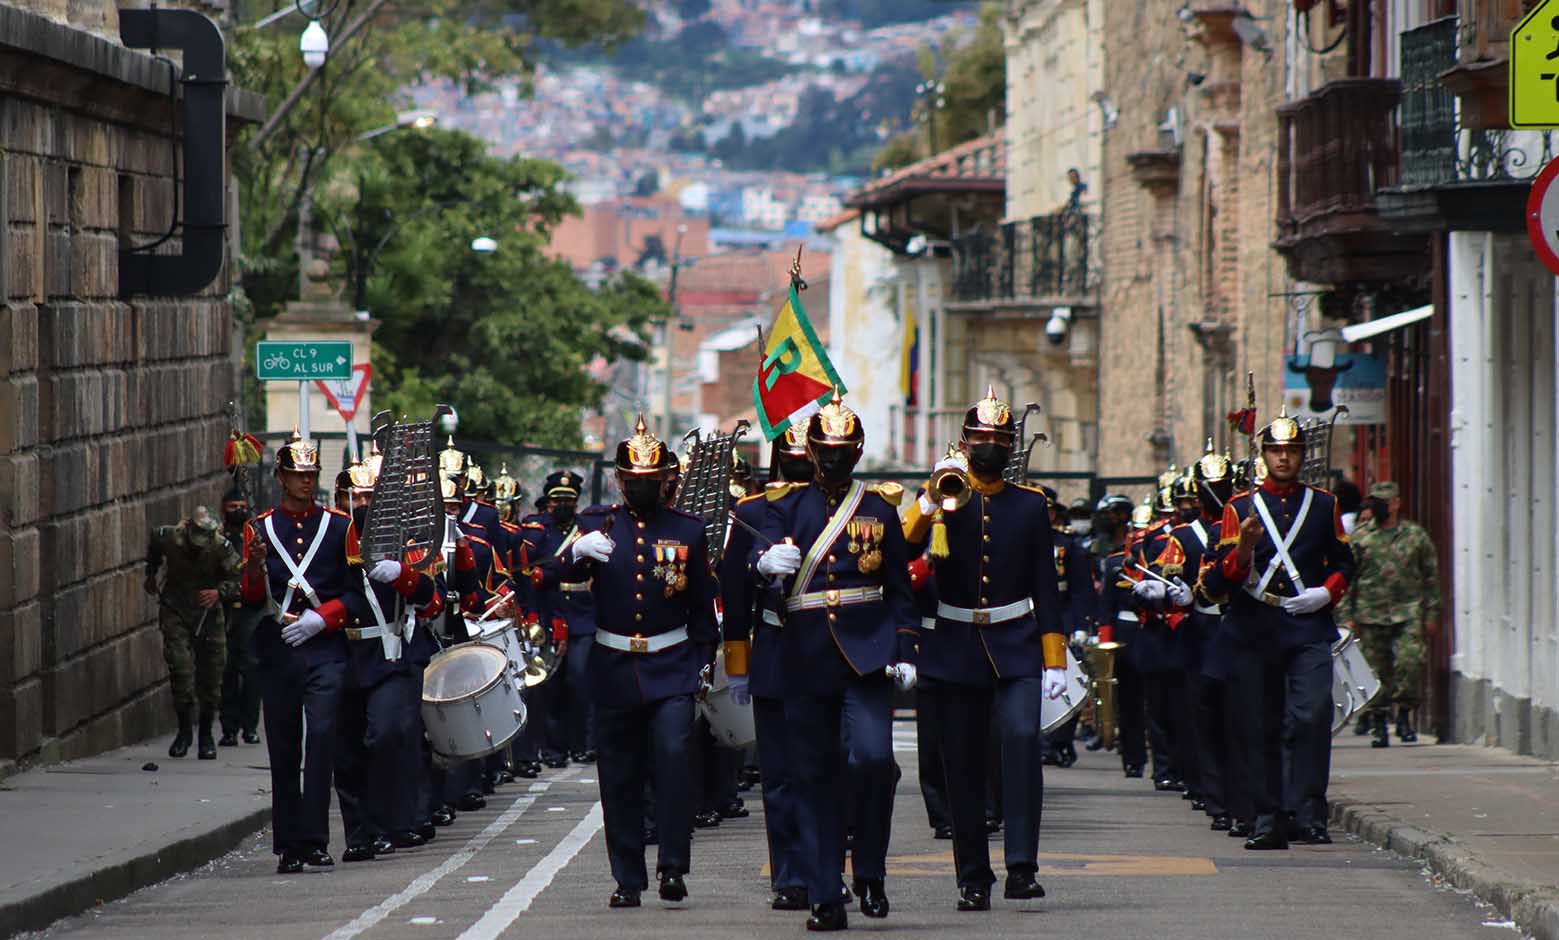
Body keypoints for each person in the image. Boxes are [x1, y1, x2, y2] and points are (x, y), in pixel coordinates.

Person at [901, 387, 1066, 913]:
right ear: (964, 442)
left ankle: (1022, 867)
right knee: (964, 766)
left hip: (1016, 643)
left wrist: (1055, 659)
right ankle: (973, 875)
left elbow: (1045, 584)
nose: (989, 446)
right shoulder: (945, 499)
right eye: (981, 438)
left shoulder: (1030, 504)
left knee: (1020, 742)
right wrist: (929, 502)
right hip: (954, 646)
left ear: (1010, 445)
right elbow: (903, 552)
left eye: (998, 438)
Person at [756, 392, 917, 931]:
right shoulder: (783, 507)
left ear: (858, 451)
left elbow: (899, 589)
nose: (833, 460)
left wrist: (904, 650)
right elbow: (759, 592)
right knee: (813, 777)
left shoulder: (878, 507)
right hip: (803, 658)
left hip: (866, 656)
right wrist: (765, 570)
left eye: (843, 450)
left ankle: (869, 868)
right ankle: (825, 893)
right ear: (810, 449)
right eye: (825, 449)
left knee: (872, 761)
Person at [560, 417, 716, 909]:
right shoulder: (594, 525)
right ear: (620, 482)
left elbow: (702, 607)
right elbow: (544, 574)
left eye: (652, 481)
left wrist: (704, 664)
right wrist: (575, 552)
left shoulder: (688, 531)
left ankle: (672, 865)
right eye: (635, 482)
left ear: (666, 479)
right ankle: (628, 876)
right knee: (620, 776)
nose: (643, 489)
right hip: (614, 667)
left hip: (671, 665)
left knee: (672, 760)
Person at [1201, 407, 1355, 850]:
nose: (1284, 458)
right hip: (1255, 625)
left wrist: (1325, 594)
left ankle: (1309, 814)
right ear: (1263, 454)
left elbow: (1344, 563)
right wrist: (1244, 547)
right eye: (1276, 450)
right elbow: (1216, 582)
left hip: (1306, 625)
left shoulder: (1323, 504)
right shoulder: (1240, 507)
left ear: (1302, 456)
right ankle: (1268, 816)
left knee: (1311, 715)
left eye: (1291, 450)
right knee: (1260, 722)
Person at [239, 434, 367, 873]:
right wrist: (255, 565)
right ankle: (288, 844)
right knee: (284, 745)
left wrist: (324, 618)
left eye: (310, 475)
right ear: (280, 477)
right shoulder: (258, 528)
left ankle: (315, 839)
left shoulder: (338, 526)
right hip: (280, 650)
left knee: (322, 739)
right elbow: (252, 595)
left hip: (326, 648)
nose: (305, 483)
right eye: (297, 475)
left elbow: (356, 594)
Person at [331, 459, 441, 862]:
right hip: (342, 653)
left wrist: (404, 576)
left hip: (392, 652)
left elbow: (433, 600)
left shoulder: (406, 538)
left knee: (388, 734)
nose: (361, 504)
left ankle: (390, 820)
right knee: (345, 749)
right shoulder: (331, 535)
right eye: (354, 497)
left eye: (368, 497)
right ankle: (359, 834)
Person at [1342, 481, 1441, 747]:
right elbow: (1347, 578)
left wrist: (1432, 612)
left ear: (1396, 503)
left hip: (1408, 611)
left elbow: (1430, 575)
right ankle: (1378, 722)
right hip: (1370, 614)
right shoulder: (1361, 537)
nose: (1379, 507)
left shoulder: (1415, 536)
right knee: (1376, 673)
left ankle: (1405, 716)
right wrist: (1347, 615)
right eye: (1375, 501)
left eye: (1384, 502)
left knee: (1409, 663)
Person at [145, 505, 243, 759]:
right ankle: (184, 730)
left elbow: (239, 581)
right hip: (177, 609)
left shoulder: (221, 547)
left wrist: (219, 593)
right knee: (181, 670)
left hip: (209, 616)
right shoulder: (170, 537)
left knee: (211, 679)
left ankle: (206, 735)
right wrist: (150, 574)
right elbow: (154, 544)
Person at [533, 470, 599, 765]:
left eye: (568, 500)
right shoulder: (537, 531)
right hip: (550, 612)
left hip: (583, 614)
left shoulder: (586, 529)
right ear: (548, 502)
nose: (563, 505)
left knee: (580, 679)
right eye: (557, 500)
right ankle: (553, 748)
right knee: (551, 684)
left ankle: (583, 742)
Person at [218, 487, 264, 747]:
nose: (238, 510)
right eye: (233, 506)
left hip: (250, 609)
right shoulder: (217, 536)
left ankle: (250, 726)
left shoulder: (254, 536)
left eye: (242, 505)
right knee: (227, 670)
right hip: (224, 610)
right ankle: (228, 728)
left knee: (251, 669)